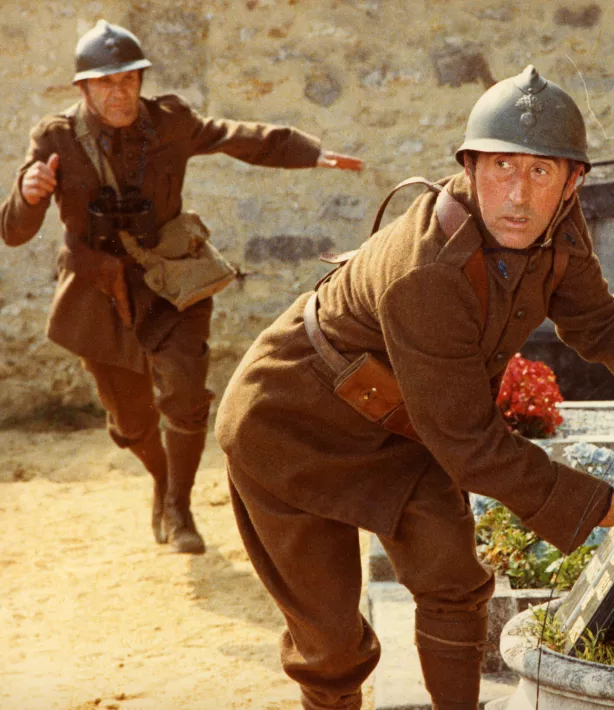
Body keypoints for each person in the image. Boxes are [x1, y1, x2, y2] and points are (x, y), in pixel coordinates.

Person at [215, 65, 614, 709]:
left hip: (403, 425)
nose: (518, 195)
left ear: (573, 182)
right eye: (500, 167)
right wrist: (610, 506)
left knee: (454, 582)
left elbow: (598, 319)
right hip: (290, 427)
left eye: (541, 171)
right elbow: (469, 443)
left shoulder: (557, 226)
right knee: (330, 646)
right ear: (469, 168)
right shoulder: (427, 273)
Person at [0, 19, 363, 554]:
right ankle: (163, 480)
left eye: (129, 79)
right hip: (98, 289)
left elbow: (235, 136)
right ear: (83, 89)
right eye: (105, 82)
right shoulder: (55, 139)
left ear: (141, 81)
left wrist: (310, 152)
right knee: (131, 421)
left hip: (171, 279)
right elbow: (13, 232)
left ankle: (180, 507)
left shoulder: (169, 122)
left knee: (186, 396)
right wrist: (30, 195)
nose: (119, 92)